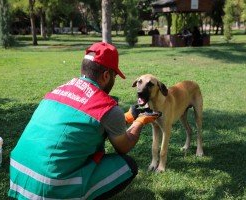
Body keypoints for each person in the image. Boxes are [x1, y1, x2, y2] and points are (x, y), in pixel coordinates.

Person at [8, 42, 161, 200]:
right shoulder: (107, 107)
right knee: (128, 165)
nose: (114, 80)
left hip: (18, 177)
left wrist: (128, 117)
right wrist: (140, 122)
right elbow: (124, 146)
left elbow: (85, 120)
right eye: (114, 76)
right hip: (50, 189)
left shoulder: (58, 90)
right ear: (106, 76)